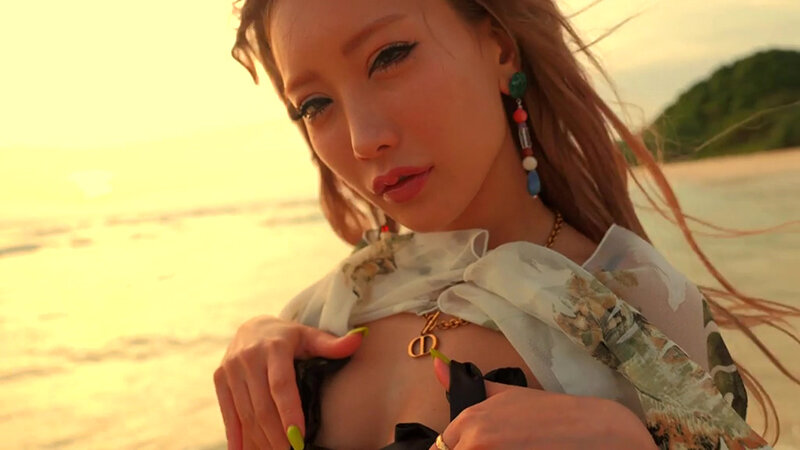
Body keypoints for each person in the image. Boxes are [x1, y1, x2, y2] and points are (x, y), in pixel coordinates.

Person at [214, 0, 799, 448]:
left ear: (499, 50)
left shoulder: (637, 307)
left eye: (388, 57)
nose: (363, 140)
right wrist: (263, 340)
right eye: (314, 105)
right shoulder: (328, 313)